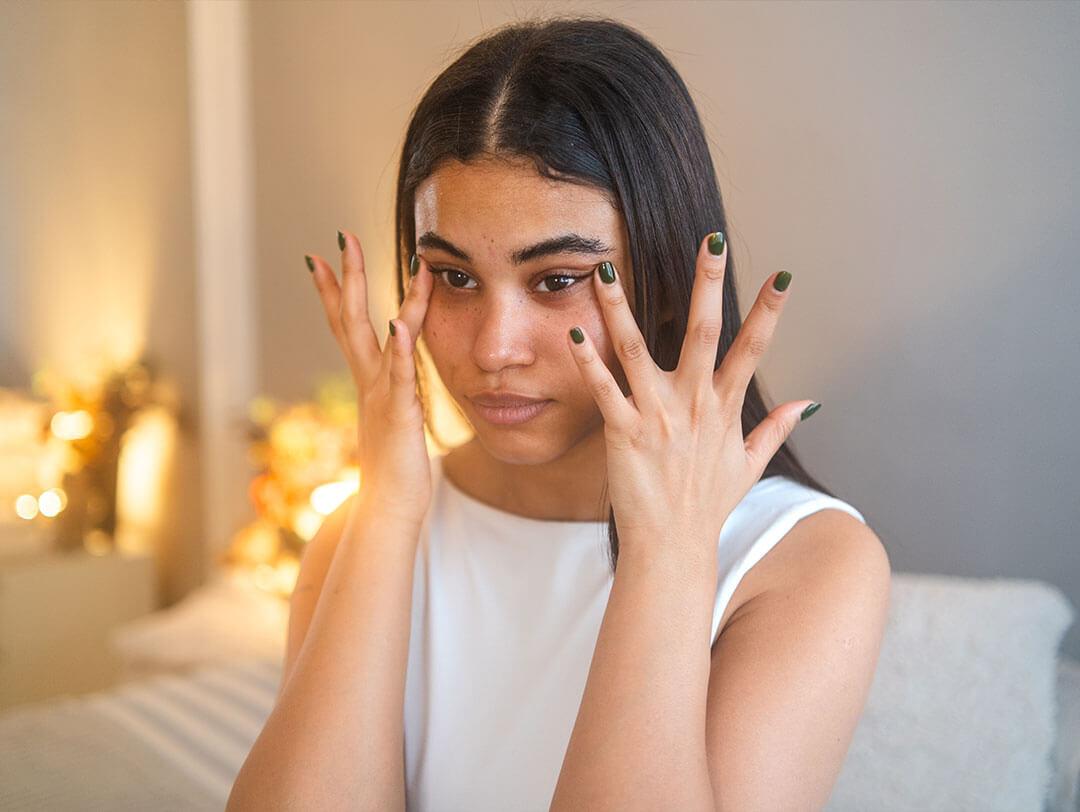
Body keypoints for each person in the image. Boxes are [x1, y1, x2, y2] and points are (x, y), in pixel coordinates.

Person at [228, 15, 891, 812]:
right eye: (453, 276)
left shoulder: (806, 563)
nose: (493, 348)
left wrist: (669, 554)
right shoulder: (361, 536)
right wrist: (388, 513)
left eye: (556, 279)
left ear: (670, 281)